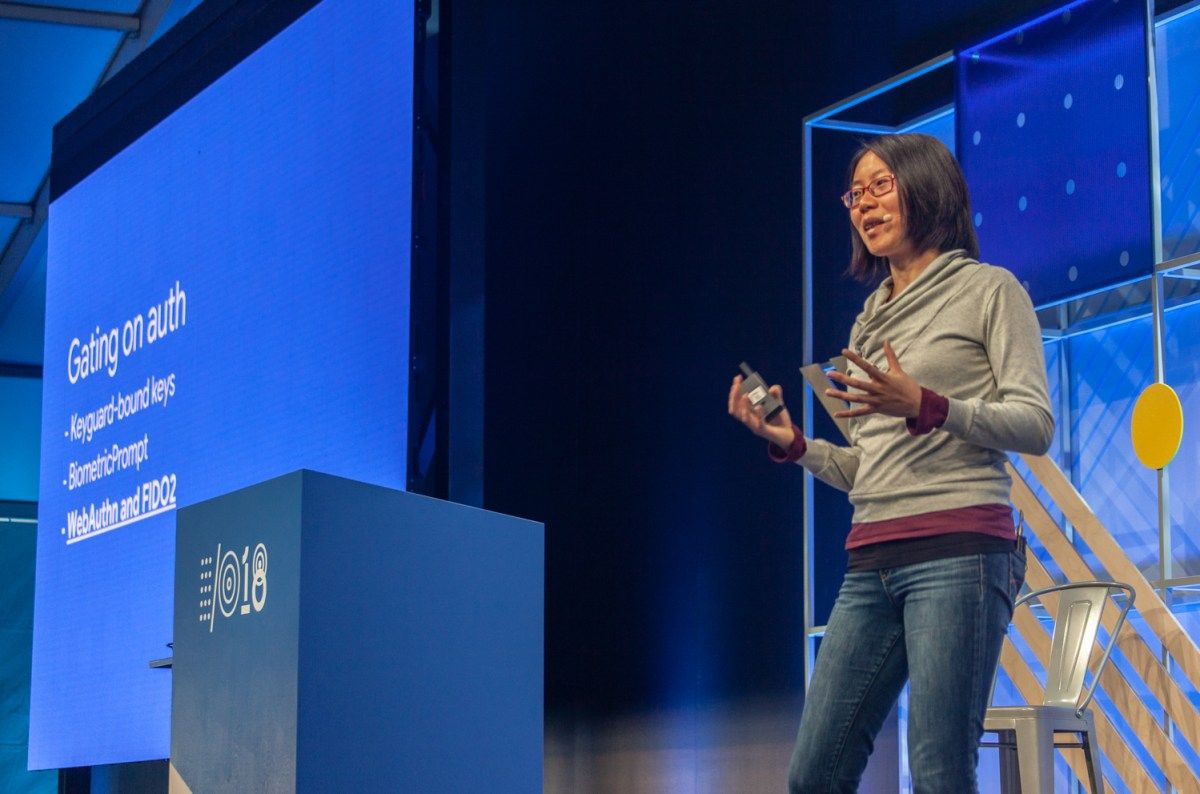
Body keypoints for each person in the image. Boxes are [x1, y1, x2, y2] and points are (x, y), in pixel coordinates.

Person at [727, 133, 1053, 793]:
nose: (864, 204)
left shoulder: (991, 291)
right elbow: (869, 471)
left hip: (960, 553)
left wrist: (932, 404)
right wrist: (794, 443)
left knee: (937, 771)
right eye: (856, 193)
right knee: (814, 775)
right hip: (871, 560)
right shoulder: (867, 323)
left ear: (927, 188)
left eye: (881, 186)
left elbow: (1036, 424)